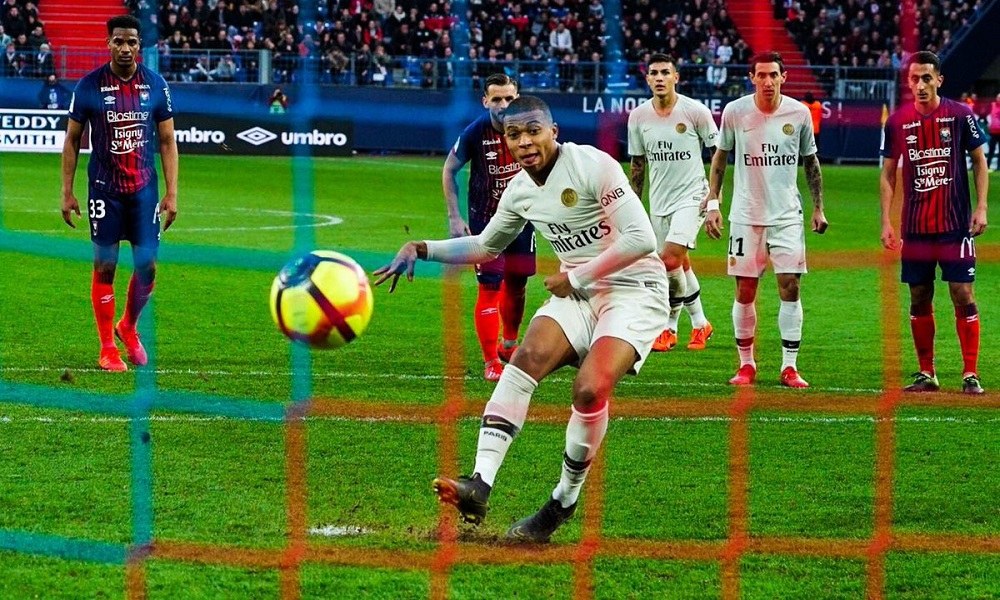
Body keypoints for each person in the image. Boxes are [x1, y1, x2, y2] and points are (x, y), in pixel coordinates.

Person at [375, 95, 669, 542]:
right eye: (514, 134)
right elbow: (485, 246)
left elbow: (642, 238)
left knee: (589, 389)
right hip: (579, 294)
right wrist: (421, 248)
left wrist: (577, 275)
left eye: (534, 131)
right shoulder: (519, 191)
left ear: (553, 132)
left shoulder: (592, 165)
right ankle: (479, 484)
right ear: (506, 141)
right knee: (524, 359)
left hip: (635, 291)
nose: (525, 141)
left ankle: (562, 502)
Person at [60, 14, 178, 372]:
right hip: (104, 190)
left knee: (148, 267)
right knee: (105, 266)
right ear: (108, 43)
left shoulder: (156, 85)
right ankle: (107, 347)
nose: (125, 48)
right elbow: (72, 139)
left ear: (139, 45)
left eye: (132, 42)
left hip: (144, 192)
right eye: (119, 41)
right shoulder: (89, 86)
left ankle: (128, 326)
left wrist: (172, 193)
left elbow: (168, 140)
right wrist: (67, 192)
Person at [704, 51, 828, 388]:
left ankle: (790, 366)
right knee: (745, 289)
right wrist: (713, 202)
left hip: (786, 215)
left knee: (790, 285)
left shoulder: (799, 113)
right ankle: (746, 365)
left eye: (774, 75)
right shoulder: (736, 111)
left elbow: (811, 162)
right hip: (746, 215)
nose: (768, 81)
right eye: (762, 75)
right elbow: (720, 158)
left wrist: (818, 207)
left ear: (783, 77)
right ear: (752, 78)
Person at [879, 51, 989, 394]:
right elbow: (887, 174)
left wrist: (981, 206)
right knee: (918, 295)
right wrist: (886, 221)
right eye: (915, 79)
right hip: (915, 228)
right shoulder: (897, 122)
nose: (921, 85)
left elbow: (979, 161)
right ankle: (927, 373)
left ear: (939, 80)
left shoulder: (960, 115)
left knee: (962, 292)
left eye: (927, 78)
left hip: (955, 225)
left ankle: (970, 373)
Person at [441, 73, 537, 382]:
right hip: (486, 223)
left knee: (518, 284)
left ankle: (509, 344)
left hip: (522, 220)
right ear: (485, 101)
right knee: (490, 286)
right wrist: (455, 217)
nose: (503, 104)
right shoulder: (475, 132)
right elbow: (449, 170)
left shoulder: (530, 129)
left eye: (509, 98)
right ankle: (491, 360)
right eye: (496, 99)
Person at [627, 53, 718, 353]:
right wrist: (632, 207)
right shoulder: (638, 116)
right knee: (680, 263)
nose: (659, 78)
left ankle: (668, 327)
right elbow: (638, 164)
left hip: (693, 196)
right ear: (647, 79)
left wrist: (714, 200)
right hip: (659, 201)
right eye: (654, 73)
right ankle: (701, 323)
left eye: (665, 72)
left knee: (669, 261)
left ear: (676, 77)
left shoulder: (695, 111)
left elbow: (718, 153)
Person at [988, 93, 1000, 171]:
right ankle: (987, 165)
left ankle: (999, 167)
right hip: (993, 132)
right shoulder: (992, 105)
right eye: (998, 97)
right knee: (991, 150)